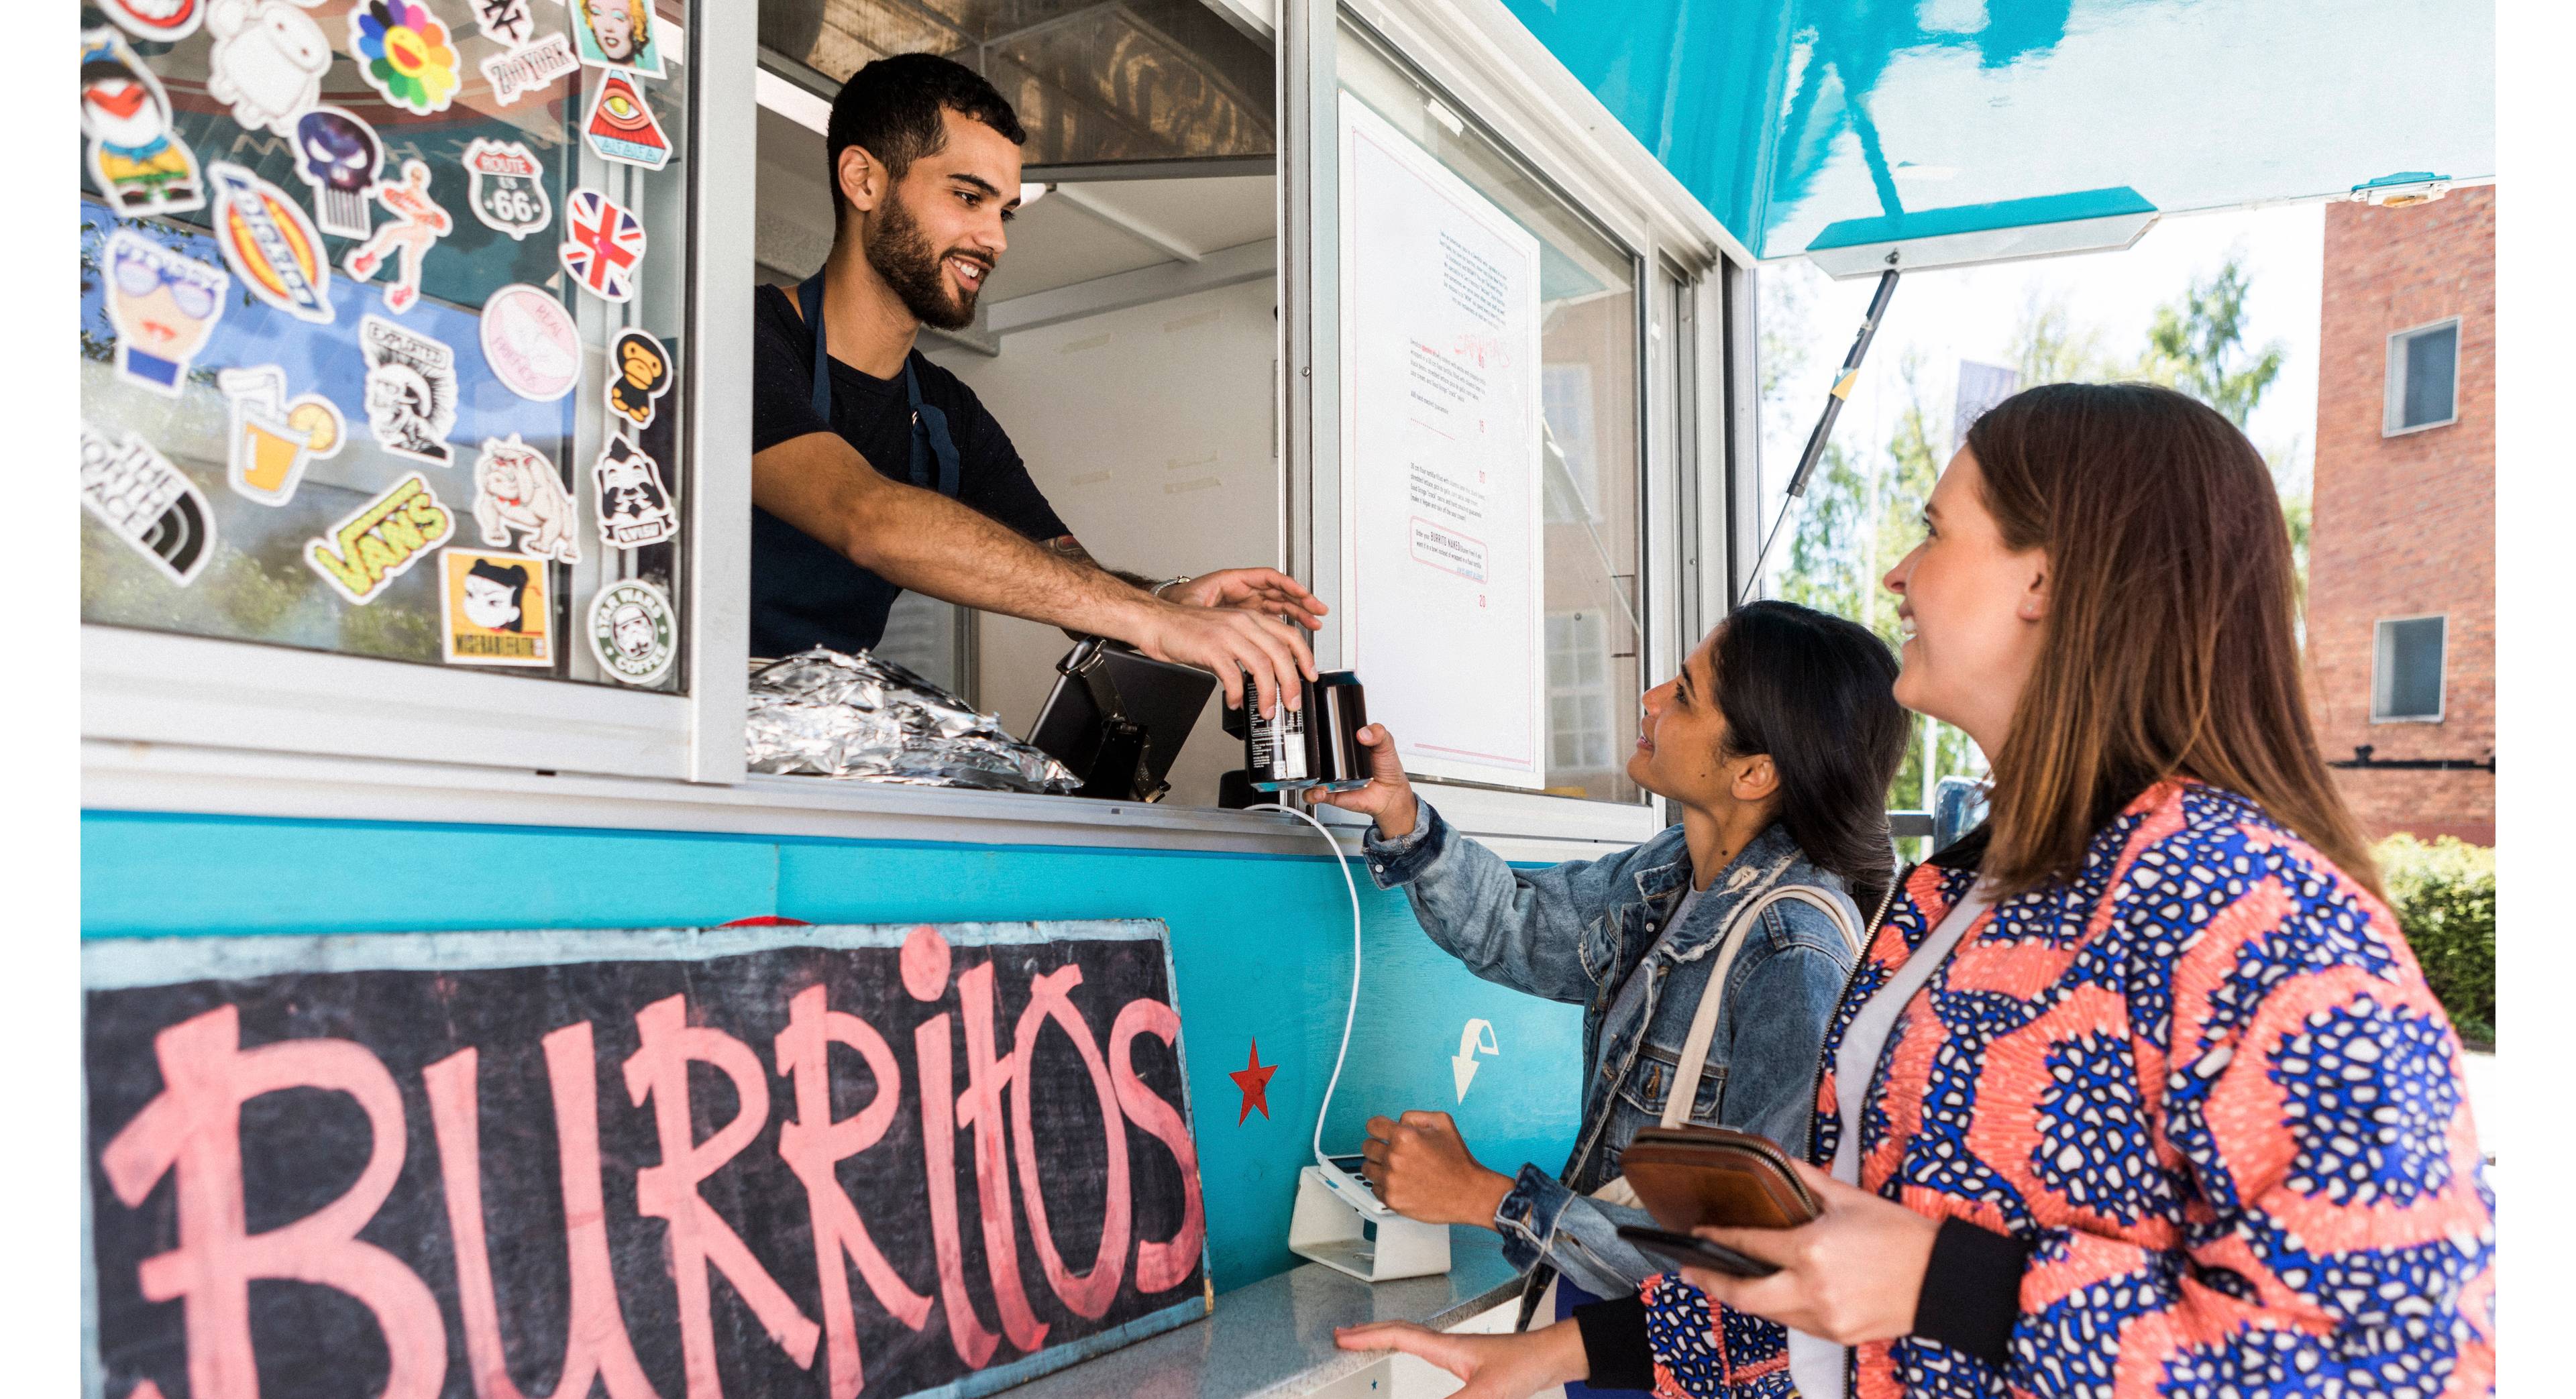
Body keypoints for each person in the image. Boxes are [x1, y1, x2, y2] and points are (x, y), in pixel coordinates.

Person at [1334, 384, 2498, 1398]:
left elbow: (2400, 1360)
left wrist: (1959, 1286)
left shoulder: (2263, 917)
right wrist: (1573, 1355)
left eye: (1938, 530)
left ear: (2044, 578)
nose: (1897, 570)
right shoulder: (1962, 901)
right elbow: (1846, 1269)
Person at [1312, 600, 1911, 1366]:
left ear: (1755, 771)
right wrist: (1402, 817)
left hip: (1656, 1361)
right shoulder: (1670, 870)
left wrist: (1482, 1195)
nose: (1650, 697)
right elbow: (1517, 926)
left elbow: (1758, 1270)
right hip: (1593, 1341)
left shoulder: (1795, 956)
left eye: (1686, 694)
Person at [750, 54, 1324, 716]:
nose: (993, 239)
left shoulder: (944, 411)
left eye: (1006, 212)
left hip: (814, 736)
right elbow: (868, 517)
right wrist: (1148, 619)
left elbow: (1062, 567)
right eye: (968, 197)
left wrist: (1165, 599)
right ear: (864, 180)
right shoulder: (741, 338)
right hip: (675, 726)